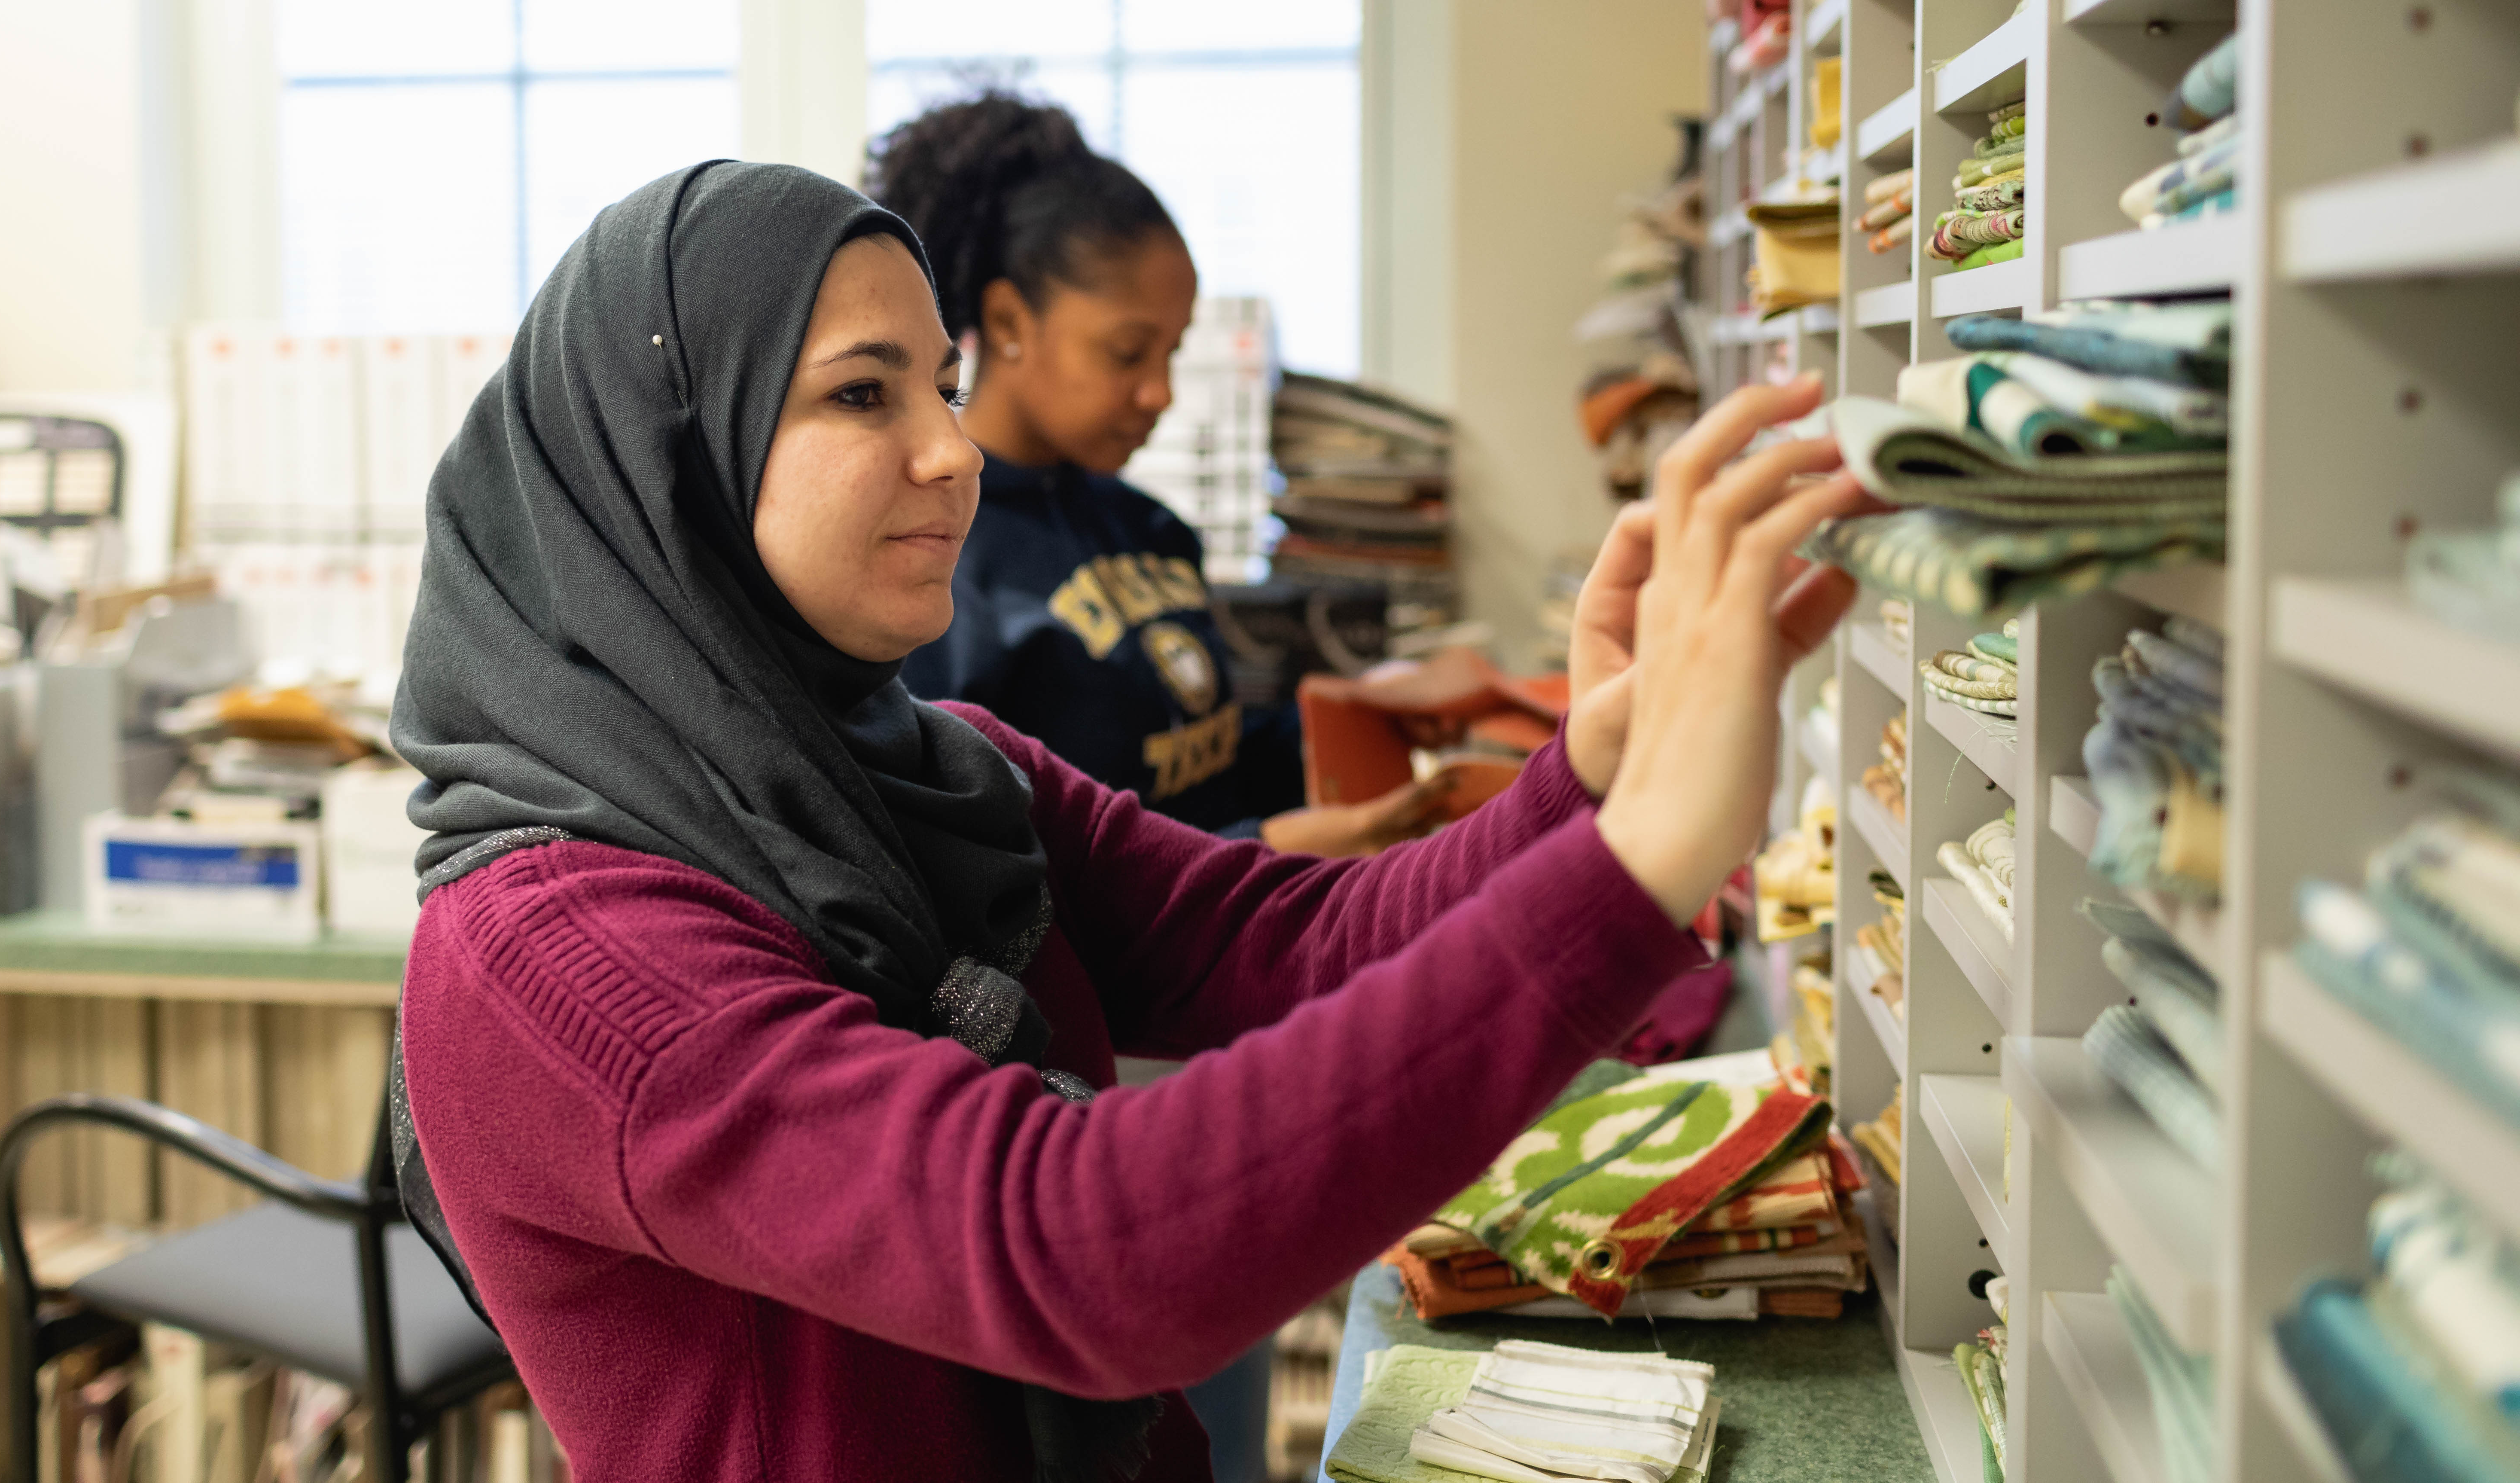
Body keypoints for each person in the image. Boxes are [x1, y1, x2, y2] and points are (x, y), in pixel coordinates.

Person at [389, 160, 1867, 1482]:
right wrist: (1635, 870)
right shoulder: (554, 950)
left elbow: (1291, 939)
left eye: (944, 384)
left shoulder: (940, 765)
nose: (953, 448)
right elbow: (1068, 1252)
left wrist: (1592, 775)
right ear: (671, 464)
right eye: (862, 393)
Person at [868, 92, 1446, 857]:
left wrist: (1362, 711)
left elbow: (1204, 748)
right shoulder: (942, 563)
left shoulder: (1150, 527)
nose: (1161, 394)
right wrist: (1260, 845)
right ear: (1009, 323)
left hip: (1249, 920)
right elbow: (988, 863)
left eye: (1172, 353)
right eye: (1127, 353)